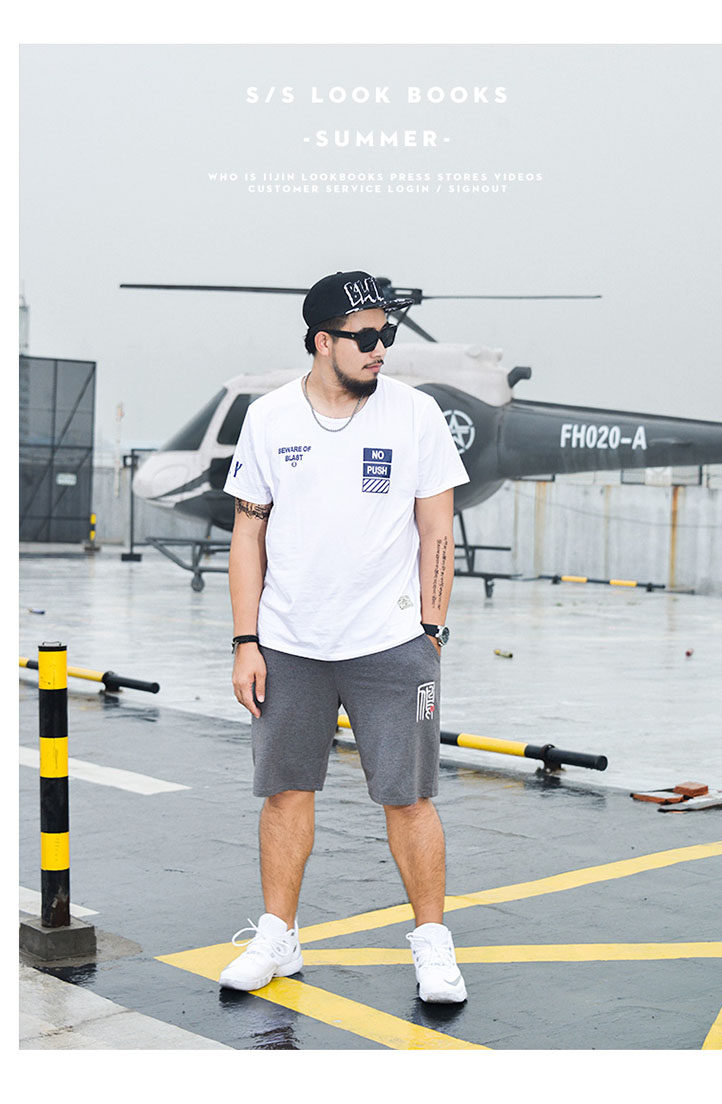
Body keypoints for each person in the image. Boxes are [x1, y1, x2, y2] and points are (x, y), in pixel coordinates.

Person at [220, 270, 470, 1002]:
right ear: (322, 341)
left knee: (409, 797)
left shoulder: (415, 414)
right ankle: (278, 935)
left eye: (385, 334)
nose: (379, 348)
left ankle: (433, 946)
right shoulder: (269, 418)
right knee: (285, 793)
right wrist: (245, 640)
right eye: (364, 337)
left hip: (391, 644)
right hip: (289, 643)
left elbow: (438, 531)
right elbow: (247, 534)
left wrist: (430, 630)